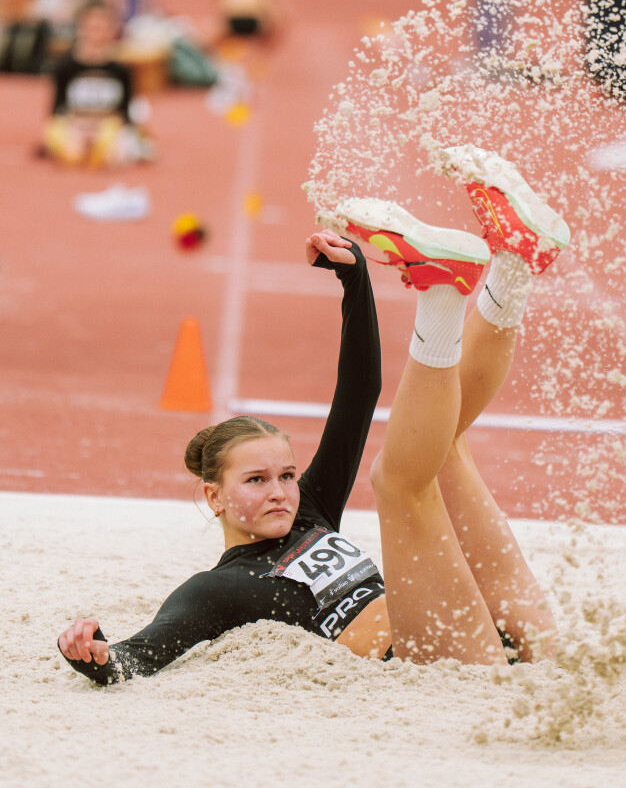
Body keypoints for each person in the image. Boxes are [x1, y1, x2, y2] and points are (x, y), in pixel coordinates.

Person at [58, 146, 568, 680]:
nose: (280, 491)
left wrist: (355, 279)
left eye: (285, 475)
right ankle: (441, 293)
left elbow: (360, 392)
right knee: (399, 482)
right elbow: (137, 656)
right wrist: (91, 655)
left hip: (492, 636)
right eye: (256, 480)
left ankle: (512, 267)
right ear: (214, 497)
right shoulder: (217, 589)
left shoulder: (311, 509)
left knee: (438, 446)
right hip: (451, 662)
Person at [41, 0, 152, 168]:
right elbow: (57, 111)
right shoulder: (65, 67)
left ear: (111, 30)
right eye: (92, 27)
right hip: (75, 125)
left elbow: (125, 113)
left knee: (107, 155)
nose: (96, 33)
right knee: (71, 155)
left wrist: (99, 129)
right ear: (81, 29)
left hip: (107, 126)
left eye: (102, 27)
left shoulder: (121, 70)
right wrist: (79, 128)